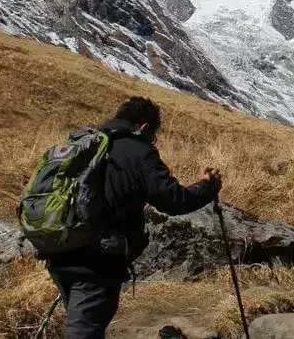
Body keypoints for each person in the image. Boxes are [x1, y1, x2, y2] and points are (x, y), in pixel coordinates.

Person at [47, 97, 222, 339]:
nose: (152, 140)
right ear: (144, 126)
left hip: (60, 249)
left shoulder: (88, 144)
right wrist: (207, 187)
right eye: (153, 135)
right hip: (96, 259)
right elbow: (173, 200)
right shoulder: (138, 151)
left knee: (84, 323)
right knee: (83, 331)